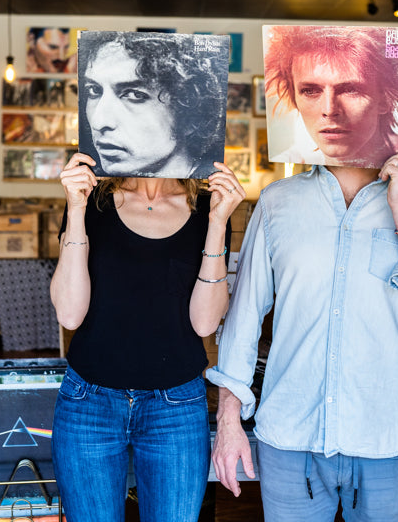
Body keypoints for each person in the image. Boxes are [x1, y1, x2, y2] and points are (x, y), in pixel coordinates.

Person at [207, 130, 398, 521]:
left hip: (386, 440)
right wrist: (228, 420)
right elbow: (244, 317)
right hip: (291, 438)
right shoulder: (277, 201)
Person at [50, 150, 246, 522]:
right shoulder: (91, 203)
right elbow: (70, 314)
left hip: (175, 406)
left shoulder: (209, 207)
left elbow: (205, 324)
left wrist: (219, 222)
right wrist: (75, 210)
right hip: (88, 402)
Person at [79, 32, 227, 179]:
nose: (99, 122)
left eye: (134, 95)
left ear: (190, 116)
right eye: (94, 90)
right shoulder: (90, 195)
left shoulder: (212, 197)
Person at [264, 25, 398, 168]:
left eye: (350, 90)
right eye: (310, 91)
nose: (329, 110)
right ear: (294, 97)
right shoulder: (287, 166)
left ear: (385, 98)